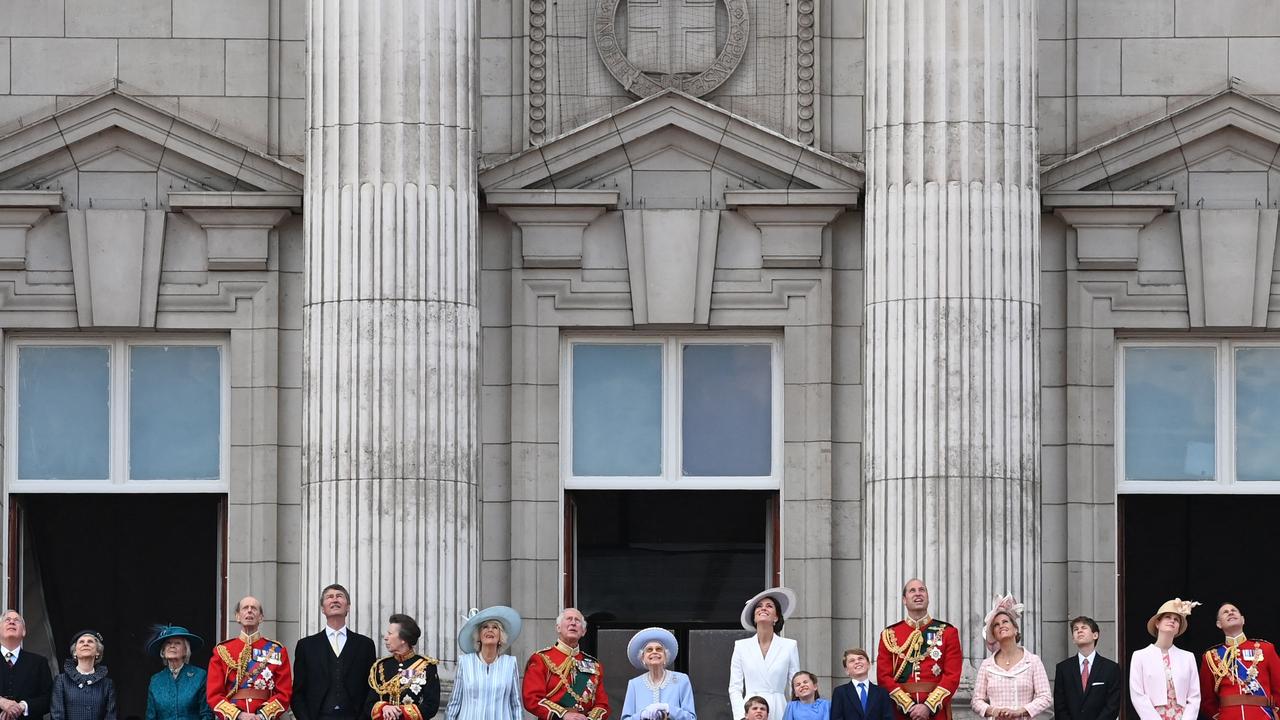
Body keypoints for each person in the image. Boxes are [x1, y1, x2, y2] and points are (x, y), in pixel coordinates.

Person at [876, 579, 961, 720]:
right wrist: (908, 705)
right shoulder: (889, 635)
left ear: (928, 598)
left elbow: (952, 676)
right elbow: (883, 677)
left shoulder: (947, 632)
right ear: (904, 600)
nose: (918, 594)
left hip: (935, 713)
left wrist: (928, 706)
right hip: (900, 713)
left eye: (922, 590)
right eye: (912, 591)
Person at [294, 585, 377, 720]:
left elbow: (372, 688)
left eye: (339, 596)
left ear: (348, 607)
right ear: (323, 608)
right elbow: (298, 691)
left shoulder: (365, 645)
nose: (334, 600)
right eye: (329, 597)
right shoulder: (306, 646)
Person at [207, 595, 293, 720]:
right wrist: (239, 715)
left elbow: (284, 692)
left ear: (261, 618)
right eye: (245, 608)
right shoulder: (222, 650)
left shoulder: (277, 650)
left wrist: (262, 716)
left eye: (254, 608)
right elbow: (213, 694)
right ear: (237, 616)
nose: (249, 610)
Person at [969, 595, 1051, 719]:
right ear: (994, 634)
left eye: (1005, 621)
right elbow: (976, 701)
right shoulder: (987, 665)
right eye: (996, 625)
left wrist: (1020, 711)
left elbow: (1045, 697)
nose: (1001, 625)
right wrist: (993, 711)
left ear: (1015, 629)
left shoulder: (1033, 661)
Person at [522, 608, 609, 720]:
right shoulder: (541, 659)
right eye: (569, 619)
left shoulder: (594, 665)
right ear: (558, 627)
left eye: (577, 621)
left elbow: (602, 705)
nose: (573, 623)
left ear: (583, 631)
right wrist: (563, 715)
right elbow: (532, 698)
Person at [1198, 602, 1280, 720]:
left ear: (1243, 620)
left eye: (1233, 610)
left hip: (1263, 715)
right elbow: (1207, 698)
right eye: (1225, 612)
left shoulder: (1266, 649)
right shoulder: (1210, 656)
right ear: (1219, 624)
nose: (1230, 612)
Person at [729, 587, 800, 720]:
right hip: (751, 709)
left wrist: (796, 714)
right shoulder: (741, 646)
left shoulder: (789, 646)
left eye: (769, 606)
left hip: (780, 709)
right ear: (754, 617)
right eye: (759, 606)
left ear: (776, 617)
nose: (763, 608)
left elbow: (794, 685)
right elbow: (735, 687)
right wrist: (740, 716)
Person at [445, 606, 523, 720]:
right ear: (479, 636)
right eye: (485, 627)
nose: (490, 630)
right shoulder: (465, 662)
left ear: (501, 636)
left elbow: (516, 705)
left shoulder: (510, 664)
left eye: (495, 627)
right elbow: (454, 703)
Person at [1130, 598, 1201, 720]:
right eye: (1167, 617)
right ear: (1157, 623)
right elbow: (1137, 695)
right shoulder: (1140, 656)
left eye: (1176, 619)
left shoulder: (1188, 657)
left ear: (1179, 628)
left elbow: (1194, 696)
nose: (1172, 621)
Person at [366, 614, 439, 720]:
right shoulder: (381, 666)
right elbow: (369, 704)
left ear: (403, 639)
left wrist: (400, 712)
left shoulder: (426, 666)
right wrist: (384, 708)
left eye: (390, 634)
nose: (385, 637)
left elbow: (431, 705)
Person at [1052, 616, 1121, 720]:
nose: (1079, 631)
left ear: (1095, 635)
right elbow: (1060, 705)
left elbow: (1112, 705)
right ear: (1073, 639)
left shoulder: (1111, 668)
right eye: (1076, 629)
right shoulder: (1063, 668)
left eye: (1084, 627)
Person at [619, 627, 695, 720]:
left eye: (659, 649)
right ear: (643, 658)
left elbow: (691, 718)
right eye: (649, 650)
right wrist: (641, 715)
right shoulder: (634, 684)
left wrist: (668, 708)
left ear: (665, 656)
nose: (654, 652)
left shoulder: (681, 680)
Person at [145, 624, 212, 720]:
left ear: (186, 650)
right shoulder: (155, 680)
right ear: (163, 651)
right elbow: (150, 716)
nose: (172, 646)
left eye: (177, 643)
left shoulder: (200, 676)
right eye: (168, 643)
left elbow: (207, 714)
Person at [0, 610, 53, 720]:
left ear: (23, 631)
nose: (12, 622)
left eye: (16, 620)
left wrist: (23, 706)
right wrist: (1, 702)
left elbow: (49, 699)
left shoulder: (39, 662)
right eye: (7, 620)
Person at [51, 630, 116, 720]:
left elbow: (110, 717)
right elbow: (57, 716)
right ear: (75, 652)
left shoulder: (107, 684)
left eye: (90, 641)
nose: (86, 644)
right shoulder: (61, 681)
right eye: (81, 642)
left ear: (98, 652)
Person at [830, 649, 892, 720]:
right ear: (847, 670)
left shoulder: (882, 692)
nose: (857, 662)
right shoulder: (840, 692)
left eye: (860, 658)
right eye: (852, 661)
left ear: (868, 665)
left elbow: (888, 717)